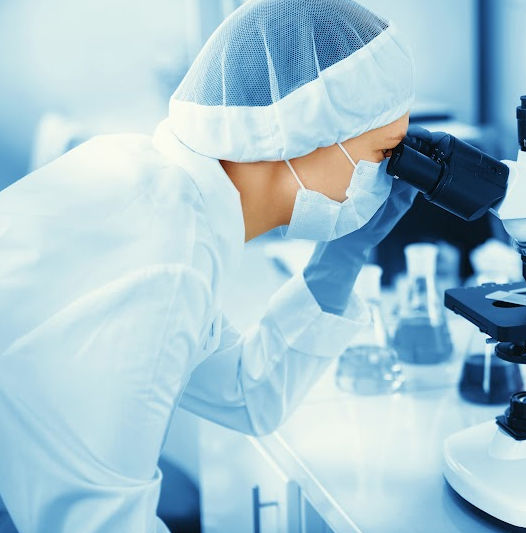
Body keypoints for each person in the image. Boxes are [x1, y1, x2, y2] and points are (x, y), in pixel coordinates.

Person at [0, 1, 415, 531]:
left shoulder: (164, 193)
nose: (388, 178)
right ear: (304, 130)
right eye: (385, 154)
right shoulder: (164, 263)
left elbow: (245, 394)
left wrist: (345, 255)